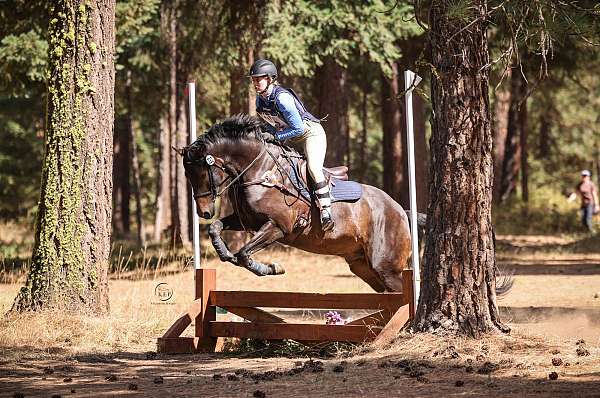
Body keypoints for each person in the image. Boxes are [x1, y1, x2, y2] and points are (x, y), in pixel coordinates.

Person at [248, 59, 334, 232]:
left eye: (259, 79)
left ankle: (326, 211)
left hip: (310, 134)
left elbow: (298, 128)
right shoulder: (260, 101)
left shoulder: (282, 98)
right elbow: (273, 126)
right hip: (291, 137)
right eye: (253, 80)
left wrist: (275, 135)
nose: (255, 83)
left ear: (270, 78)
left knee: (313, 168)